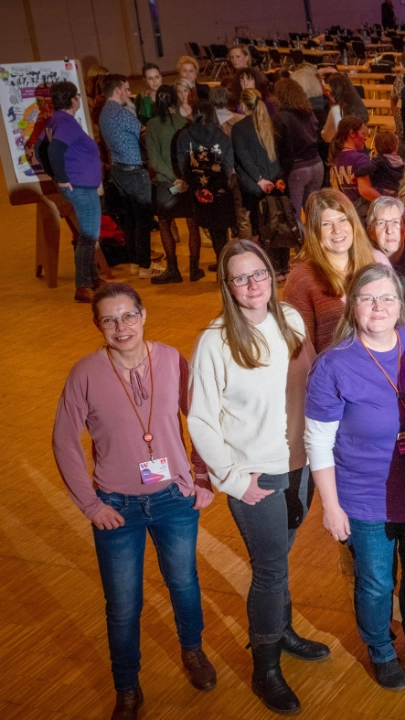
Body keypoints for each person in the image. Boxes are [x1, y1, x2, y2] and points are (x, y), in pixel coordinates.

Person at [52, 284, 217, 720]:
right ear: (98, 326)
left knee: (184, 583)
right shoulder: (85, 373)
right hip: (116, 508)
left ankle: (193, 651)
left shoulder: (171, 360)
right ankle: (127, 687)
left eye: (128, 316)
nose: (121, 327)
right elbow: (65, 441)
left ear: (143, 315)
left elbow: (198, 421)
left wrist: (202, 477)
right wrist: (90, 505)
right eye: (109, 319)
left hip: (173, 499)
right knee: (123, 604)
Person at [187, 241, 329, 716]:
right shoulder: (216, 340)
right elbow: (201, 419)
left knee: (280, 559)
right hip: (255, 476)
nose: (253, 285)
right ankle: (265, 666)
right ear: (227, 286)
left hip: (299, 465)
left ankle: (282, 631)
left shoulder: (289, 319)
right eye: (240, 278)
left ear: (271, 274)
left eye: (259, 274)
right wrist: (231, 477)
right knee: (270, 570)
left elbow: (309, 383)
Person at [305, 263, 405, 691]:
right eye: (367, 299)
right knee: (376, 581)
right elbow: (318, 441)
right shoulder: (334, 365)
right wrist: (330, 506)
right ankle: (381, 649)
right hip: (364, 499)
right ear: (352, 306)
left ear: (400, 303)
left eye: (387, 298)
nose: (378, 307)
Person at [285, 189, 387, 353]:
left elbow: (397, 324)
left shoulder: (378, 261)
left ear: (353, 222)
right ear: (315, 231)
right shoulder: (301, 279)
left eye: (342, 220)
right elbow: (301, 351)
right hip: (333, 375)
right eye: (326, 224)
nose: (337, 230)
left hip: (382, 370)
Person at [44, 81, 103, 302]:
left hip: (80, 185)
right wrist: (61, 178)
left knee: (87, 235)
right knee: (88, 237)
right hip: (80, 187)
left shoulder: (56, 121)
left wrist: (56, 175)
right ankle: (83, 286)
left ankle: (93, 278)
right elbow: (54, 150)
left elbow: (41, 149)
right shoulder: (66, 123)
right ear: (73, 100)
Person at [145, 85, 199, 285]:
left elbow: (155, 161)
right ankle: (195, 268)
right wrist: (184, 178)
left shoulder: (151, 125)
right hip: (187, 182)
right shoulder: (186, 122)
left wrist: (172, 178)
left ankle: (173, 269)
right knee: (192, 224)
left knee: (164, 224)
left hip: (165, 185)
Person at [176, 102, 237, 271]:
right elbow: (227, 167)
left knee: (211, 229)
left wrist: (197, 185)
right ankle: (224, 264)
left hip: (198, 191)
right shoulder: (223, 137)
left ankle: (220, 262)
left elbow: (183, 165)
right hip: (220, 191)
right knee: (221, 232)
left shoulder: (183, 136)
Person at [233, 89, 287, 271]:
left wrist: (258, 180)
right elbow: (280, 155)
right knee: (275, 224)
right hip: (275, 183)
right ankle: (279, 266)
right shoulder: (272, 124)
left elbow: (243, 157)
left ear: (243, 105)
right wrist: (278, 178)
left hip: (255, 186)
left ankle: (261, 263)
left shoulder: (239, 128)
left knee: (256, 226)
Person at [273, 78, 324, 215]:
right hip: (317, 164)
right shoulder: (309, 112)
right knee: (313, 214)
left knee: (294, 216)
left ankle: (301, 237)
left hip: (297, 169)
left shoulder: (281, 117)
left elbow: (280, 148)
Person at [329, 117, 380, 220]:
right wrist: (386, 201)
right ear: (352, 134)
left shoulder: (336, 158)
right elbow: (365, 190)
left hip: (348, 213)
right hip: (362, 215)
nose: (365, 138)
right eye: (362, 133)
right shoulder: (361, 158)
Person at [367, 195, 405, 277]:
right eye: (381, 223)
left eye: (395, 222)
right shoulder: (363, 266)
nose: (389, 230)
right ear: (371, 232)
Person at [320, 73, 369, 144]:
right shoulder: (358, 105)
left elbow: (327, 135)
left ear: (335, 91)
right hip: (360, 145)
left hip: (345, 148)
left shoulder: (336, 110)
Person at [369, 131, 405, 196]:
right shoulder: (401, 163)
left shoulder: (378, 161)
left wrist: (356, 173)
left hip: (380, 194)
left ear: (377, 146)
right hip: (396, 194)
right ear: (396, 147)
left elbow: (368, 170)